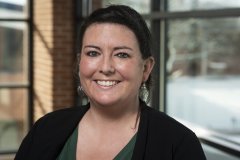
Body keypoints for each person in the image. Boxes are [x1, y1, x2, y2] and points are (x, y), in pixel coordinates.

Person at [15, 5, 206, 160]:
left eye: (122, 54)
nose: (106, 67)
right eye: (93, 53)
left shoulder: (178, 144)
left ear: (146, 68)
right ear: (80, 61)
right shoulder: (46, 128)